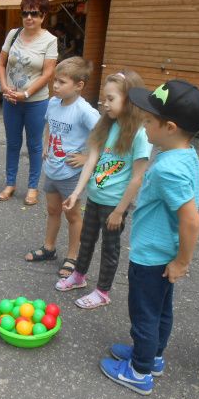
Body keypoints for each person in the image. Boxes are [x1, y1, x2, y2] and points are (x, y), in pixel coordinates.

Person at [99, 80, 199, 395]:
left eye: (149, 120)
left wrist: (182, 262)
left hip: (152, 256)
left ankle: (139, 372)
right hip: (164, 253)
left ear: (170, 127)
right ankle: (153, 357)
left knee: (144, 314)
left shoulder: (167, 170)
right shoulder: (185, 153)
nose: (143, 125)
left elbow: (191, 221)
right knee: (161, 310)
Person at [57, 70, 153, 309]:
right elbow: (91, 161)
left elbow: (137, 178)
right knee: (87, 240)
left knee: (110, 249)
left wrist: (120, 211)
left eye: (111, 99)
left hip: (114, 205)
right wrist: (77, 192)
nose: (104, 103)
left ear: (129, 100)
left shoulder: (140, 135)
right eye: (104, 98)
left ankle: (102, 292)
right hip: (95, 197)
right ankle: (78, 276)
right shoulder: (106, 126)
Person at [24, 57, 100, 278]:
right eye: (55, 81)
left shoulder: (85, 111)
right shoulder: (53, 103)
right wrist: (47, 143)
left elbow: (105, 138)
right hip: (52, 169)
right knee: (52, 210)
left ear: (79, 85)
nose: (55, 86)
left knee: (73, 216)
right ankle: (49, 248)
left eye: (61, 82)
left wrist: (87, 158)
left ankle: (73, 257)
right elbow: (49, 124)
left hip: (71, 174)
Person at [0, 0, 58, 206]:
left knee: (34, 146)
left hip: (36, 102)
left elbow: (48, 73)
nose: (29, 17)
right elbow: (0, 63)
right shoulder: (13, 34)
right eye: (25, 13)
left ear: (43, 16)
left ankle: (32, 188)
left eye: (35, 13)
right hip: (10, 100)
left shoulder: (50, 40)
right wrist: (4, 86)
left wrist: (26, 93)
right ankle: (10, 183)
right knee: (12, 143)